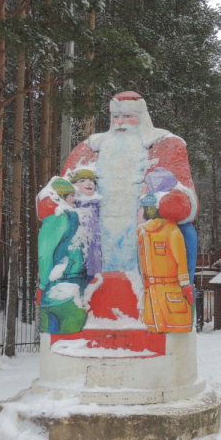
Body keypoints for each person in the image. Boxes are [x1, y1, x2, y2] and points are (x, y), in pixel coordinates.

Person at [61, 91, 198, 279]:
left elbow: (185, 200)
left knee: (183, 232)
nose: (120, 123)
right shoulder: (89, 148)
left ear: (141, 118)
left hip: (148, 248)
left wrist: (169, 202)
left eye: (127, 116)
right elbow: (59, 193)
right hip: (94, 245)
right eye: (115, 117)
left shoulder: (166, 144)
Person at [36, 178, 87, 334]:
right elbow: (45, 252)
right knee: (69, 322)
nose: (75, 199)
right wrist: (43, 284)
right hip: (58, 283)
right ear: (62, 196)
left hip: (69, 279)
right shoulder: (57, 217)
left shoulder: (68, 216)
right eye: (71, 195)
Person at [137, 193, 194, 333]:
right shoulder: (143, 233)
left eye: (148, 208)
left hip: (170, 289)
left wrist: (185, 284)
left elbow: (181, 261)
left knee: (171, 325)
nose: (146, 211)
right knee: (153, 325)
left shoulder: (172, 231)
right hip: (151, 291)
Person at [67, 167, 102, 279]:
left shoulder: (99, 206)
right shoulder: (72, 208)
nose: (88, 183)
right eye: (82, 181)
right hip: (77, 262)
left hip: (98, 260)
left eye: (91, 180)